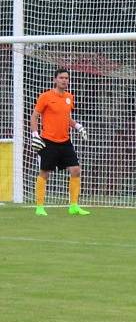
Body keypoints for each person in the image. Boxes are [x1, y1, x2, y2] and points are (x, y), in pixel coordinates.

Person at [31, 67, 90, 216]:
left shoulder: (69, 97)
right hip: (48, 141)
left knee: (76, 170)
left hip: (65, 141)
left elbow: (65, 117)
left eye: (66, 78)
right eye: (61, 77)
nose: (64, 80)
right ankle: (39, 207)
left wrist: (77, 126)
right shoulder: (45, 96)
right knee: (45, 172)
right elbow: (34, 116)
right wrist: (35, 134)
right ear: (55, 79)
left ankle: (74, 206)